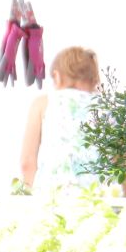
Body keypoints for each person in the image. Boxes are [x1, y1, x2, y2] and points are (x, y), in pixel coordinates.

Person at [20, 46, 104, 189]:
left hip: (53, 199)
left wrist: (28, 195)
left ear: (57, 76)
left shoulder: (43, 103)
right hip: (99, 200)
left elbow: (27, 162)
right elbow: (121, 162)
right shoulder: (107, 108)